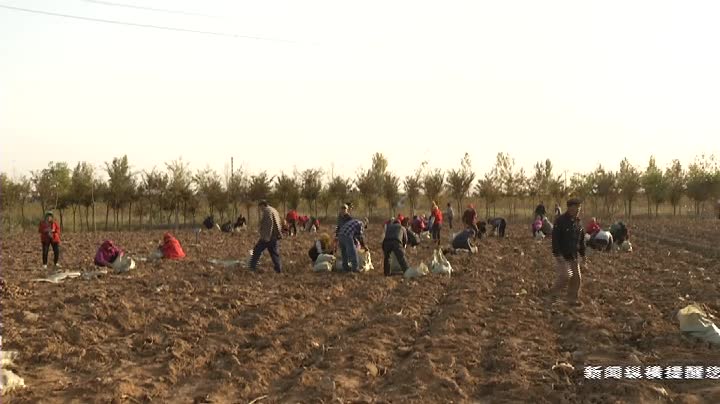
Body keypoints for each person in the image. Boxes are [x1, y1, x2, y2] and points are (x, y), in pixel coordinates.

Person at [551, 198, 587, 306]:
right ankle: (553, 294)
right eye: (576, 207)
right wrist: (558, 254)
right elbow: (555, 239)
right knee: (566, 275)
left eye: (579, 207)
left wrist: (583, 255)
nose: (578, 210)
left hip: (573, 255)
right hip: (562, 255)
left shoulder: (578, 222)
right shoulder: (561, 221)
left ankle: (572, 299)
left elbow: (581, 240)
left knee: (577, 278)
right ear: (570, 207)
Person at [249, 200, 283, 273]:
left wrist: (266, 237)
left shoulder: (267, 211)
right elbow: (279, 222)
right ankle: (278, 269)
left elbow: (269, 224)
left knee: (256, 250)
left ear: (263, 205)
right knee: (274, 253)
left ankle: (252, 268)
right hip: (275, 236)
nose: (260, 209)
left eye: (260, 207)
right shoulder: (274, 210)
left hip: (268, 236)